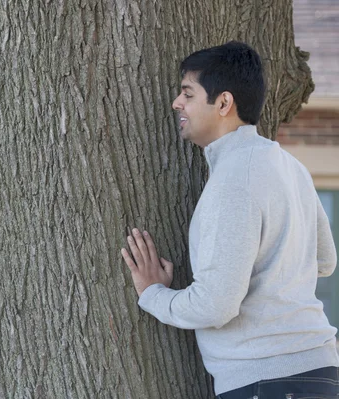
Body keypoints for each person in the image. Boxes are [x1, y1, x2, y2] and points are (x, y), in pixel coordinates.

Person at [121, 41, 339, 398]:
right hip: (317, 373)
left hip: (268, 379)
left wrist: (152, 294)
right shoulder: (289, 166)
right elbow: (325, 260)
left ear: (223, 103)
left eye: (188, 94)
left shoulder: (234, 181)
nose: (177, 103)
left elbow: (216, 304)